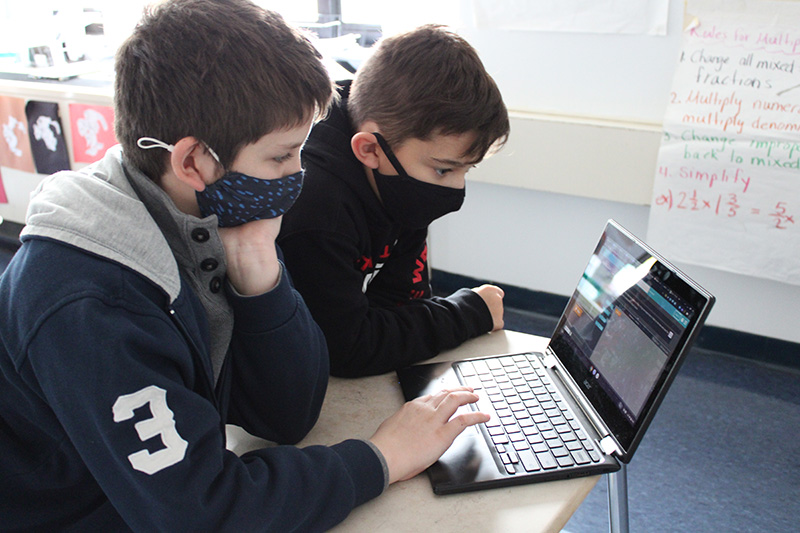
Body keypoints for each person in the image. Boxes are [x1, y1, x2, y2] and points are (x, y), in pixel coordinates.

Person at [0, 1, 488, 530]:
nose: (298, 173)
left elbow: (286, 417)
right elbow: (201, 513)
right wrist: (380, 459)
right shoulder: (89, 305)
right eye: (282, 157)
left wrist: (260, 275)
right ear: (193, 161)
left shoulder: (212, 214)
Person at [278, 25, 510, 378]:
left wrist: (401, 325)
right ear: (369, 149)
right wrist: (470, 313)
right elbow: (346, 348)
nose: (456, 191)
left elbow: (404, 302)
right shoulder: (318, 209)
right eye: (445, 170)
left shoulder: (400, 178)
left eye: (467, 169)